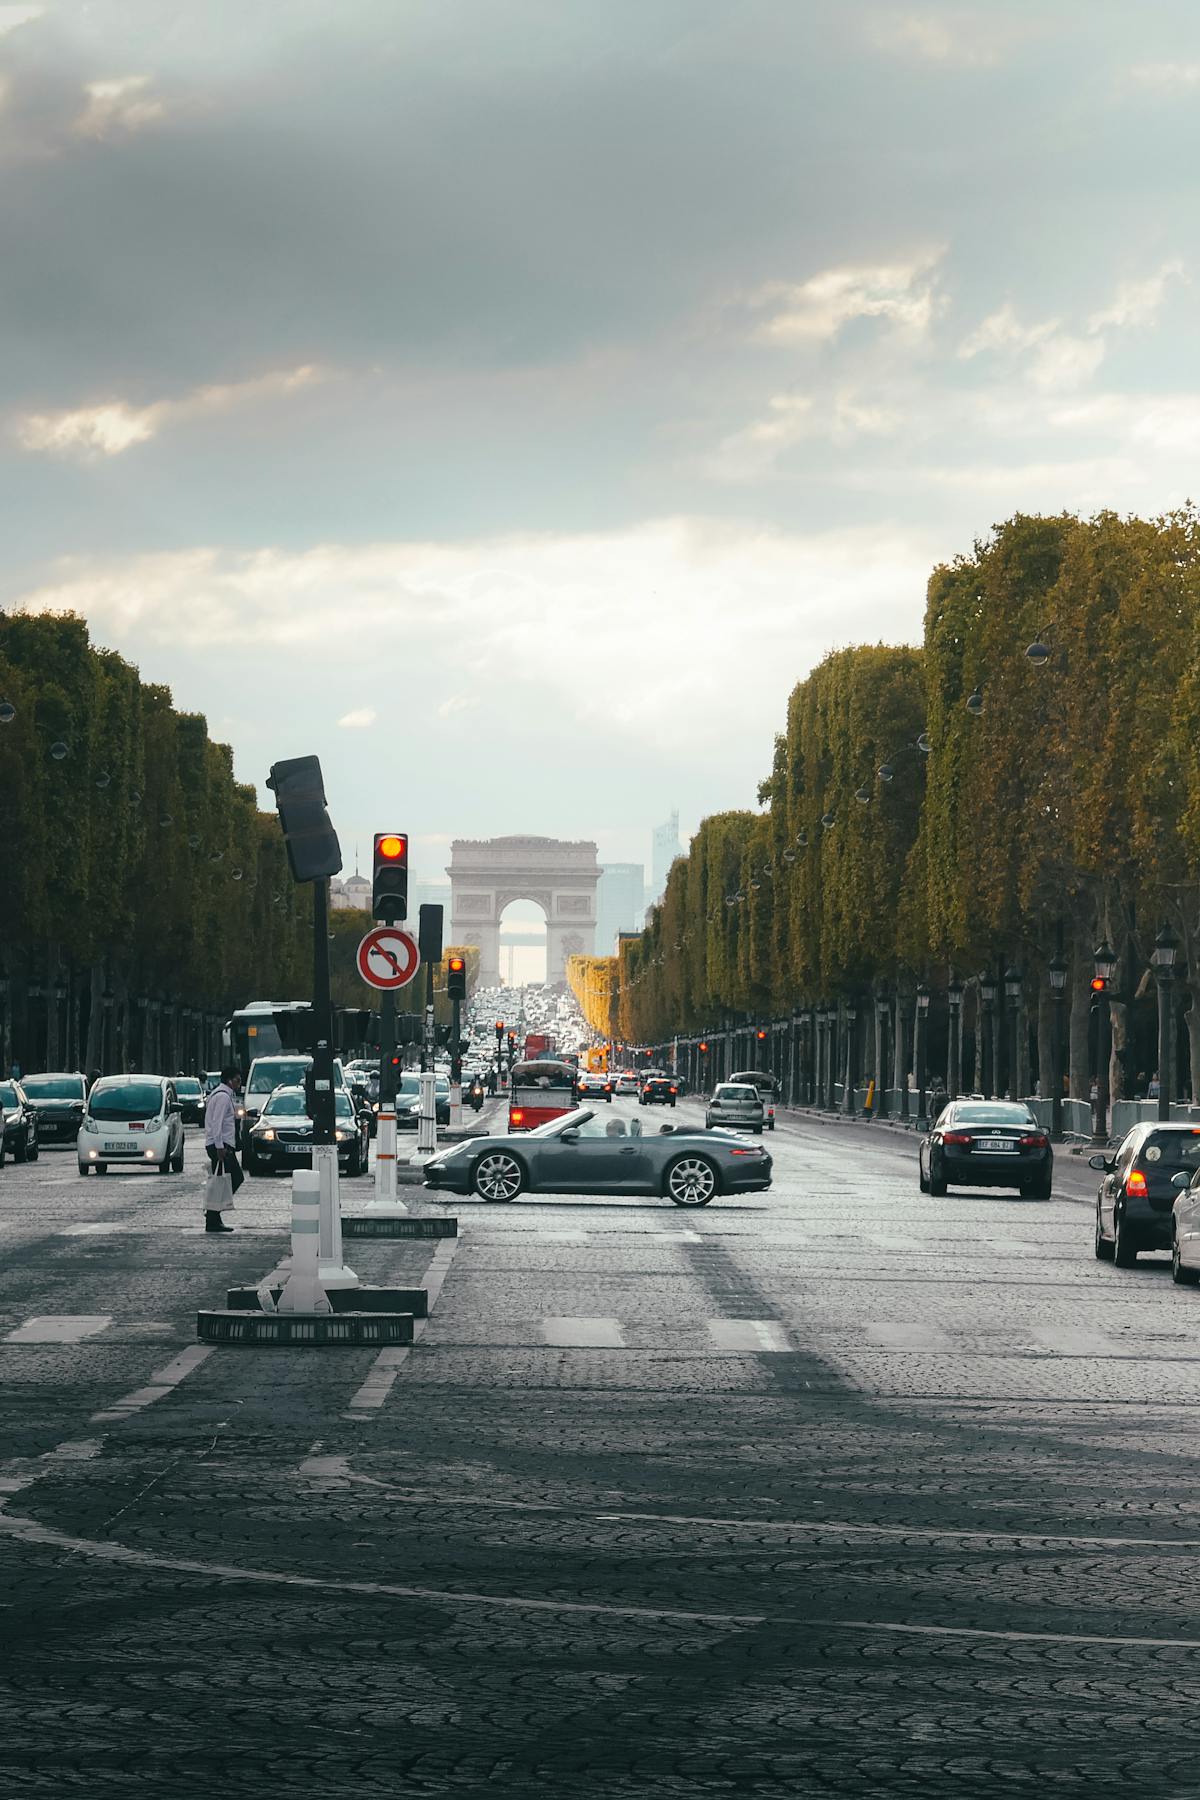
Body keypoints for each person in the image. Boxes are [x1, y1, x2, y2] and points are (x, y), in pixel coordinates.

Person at [203, 1066, 244, 1233]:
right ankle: (213, 1215)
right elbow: (216, 1123)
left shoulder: (222, 1095)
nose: (239, 1084)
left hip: (221, 1145)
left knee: (223, 1181)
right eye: (237, 1080)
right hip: (221, 1146)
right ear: (229, 1080)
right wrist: (220, 1147)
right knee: (234, 1178)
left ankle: (213, 1216)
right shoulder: (222, 1097)